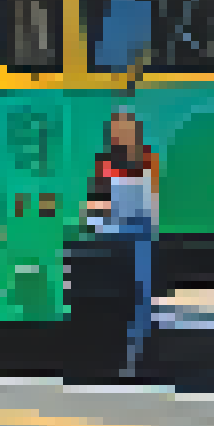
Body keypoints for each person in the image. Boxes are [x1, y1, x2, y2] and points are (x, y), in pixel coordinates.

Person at [85, 108, 159, 379]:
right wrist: (96, 219)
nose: (121, 133)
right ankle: (120, 353)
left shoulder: (147, 157)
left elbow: (152, 198)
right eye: (117, 129)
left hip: (139, 231)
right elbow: (95, 197)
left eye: (126, 128)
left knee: (141, 294)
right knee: (119, 295)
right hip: (113, 232)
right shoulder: (104, 161)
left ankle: (137, 353)